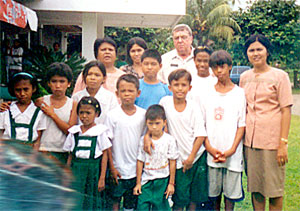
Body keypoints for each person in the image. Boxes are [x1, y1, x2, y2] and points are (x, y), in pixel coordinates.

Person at [239, 34, 293, 210]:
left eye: (259, 49)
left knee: (274, 190)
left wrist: (282, 143)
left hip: (271, 142)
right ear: (247, 53)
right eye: (251, 50)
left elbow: (286, 110)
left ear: (267, 51)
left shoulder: (280, 76)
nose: (255, 54)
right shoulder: (244, 77)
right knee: (256, 188)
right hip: (250, 142)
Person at [145, 69, 207, 210]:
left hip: (196, 157)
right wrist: (147, 136)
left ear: (189, 88)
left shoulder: (193, 107)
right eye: (176, 84)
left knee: (194, 197)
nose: (180, 88)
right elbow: (156, 121)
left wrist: (191, 158)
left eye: (183, 85)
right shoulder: (165, 103)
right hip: (177, 158)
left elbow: (201, 135)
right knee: (179, 197)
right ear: (170, 87)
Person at [202, 50, 246, 210]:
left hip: (233, 154)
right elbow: (202, 125)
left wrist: (232, 150)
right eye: (215, 67)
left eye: (222, 66)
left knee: (230, 195)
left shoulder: (240, 93)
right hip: (212, 153)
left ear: (230, 67)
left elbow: (241, 124)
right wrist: (210, 148)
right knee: (214, 195)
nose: (219, 71)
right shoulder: (207, 93)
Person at [105, 74, 146, 211]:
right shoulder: (112, 115)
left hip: (136, 170)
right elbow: (108, 144)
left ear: (138, 93)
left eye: (130, 91)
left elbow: (145, 139)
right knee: (115, 201)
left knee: (131, 203)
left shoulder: (143, 115)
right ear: (117, 93)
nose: (127, 94)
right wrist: (112, 168)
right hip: (118, 169)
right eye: (123, 91)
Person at [63, 96, 111, 210]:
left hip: (92, 171)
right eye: (81, 113)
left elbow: (105, 155)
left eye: (88, 113)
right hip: (77, 170)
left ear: (97, 114)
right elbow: (70, 155)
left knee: (91, 200)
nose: (84, 116)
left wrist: (102, 178)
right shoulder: (74, 132)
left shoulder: (100, 132)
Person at [133, 104, 178, 210]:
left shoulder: (169, 140)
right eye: (150, 123)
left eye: (157, 123)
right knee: (142, 206)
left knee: (161, 207)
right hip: (146, 181)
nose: (154, 127)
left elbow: (172, 162)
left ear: (164, 122)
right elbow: (140, 161)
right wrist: (138, 183)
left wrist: (171, 183)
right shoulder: (143, 141)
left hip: (162, 180)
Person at [37, 62, 78, 164]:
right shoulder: (41, 101)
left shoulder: (73, 104)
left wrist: (53, 115)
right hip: (43, 150)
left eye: (62, 81)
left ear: (69, 84)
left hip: (62, 152)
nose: (58, 85)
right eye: (54, 81)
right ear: (48, 83)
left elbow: (70, 131)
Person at [0, 72, 46, 150]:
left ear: (33, 89)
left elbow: (38, 139)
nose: (22, 93)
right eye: (18, 90)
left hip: (29, 155)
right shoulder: (6, 111)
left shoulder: (39, 114)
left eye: (26, 89)